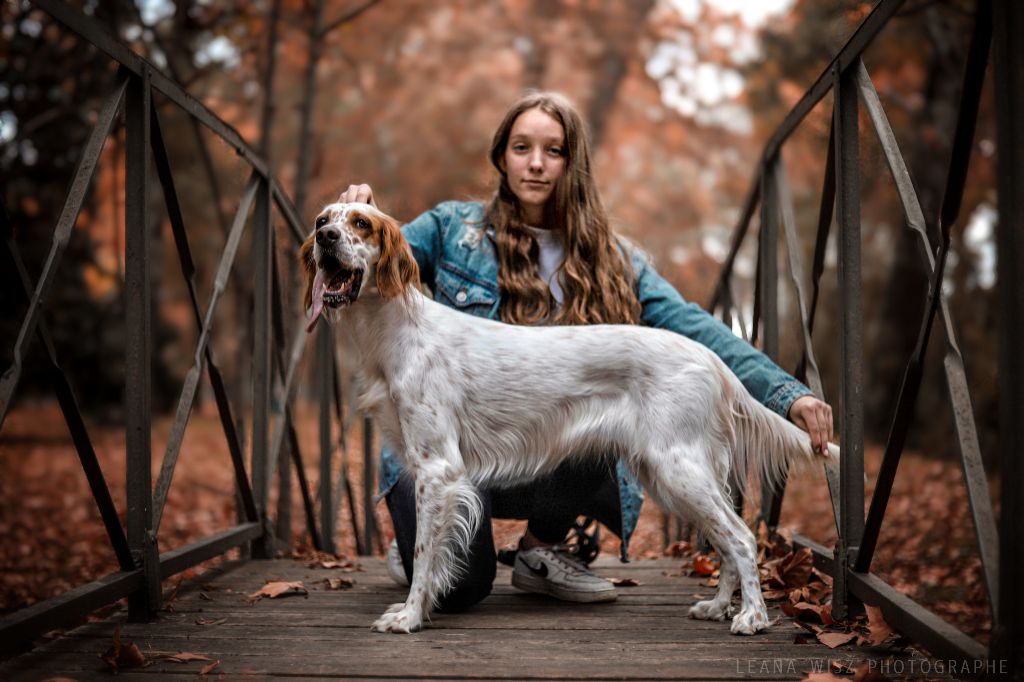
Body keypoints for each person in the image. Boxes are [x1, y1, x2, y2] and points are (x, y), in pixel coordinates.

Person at [337, 90, 833, 612]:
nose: (535, 163)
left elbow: (696, 329)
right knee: (459, 589)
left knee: (591, 401)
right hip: (452, 453)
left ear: (573, 164)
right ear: (501, 156)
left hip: (548, 452)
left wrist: (786, 396)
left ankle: (541, 550)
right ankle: (423, 536)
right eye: (521, 146)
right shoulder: (448, 231)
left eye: (553, 151)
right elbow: (383, 260)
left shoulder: (616, 260)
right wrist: (356, 223)